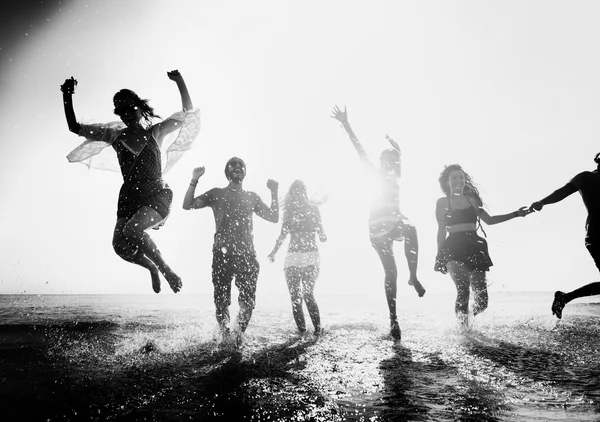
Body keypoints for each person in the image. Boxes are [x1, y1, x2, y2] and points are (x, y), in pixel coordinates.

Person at [61, 70, 200, 294]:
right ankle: (152, 267)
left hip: (156, 193)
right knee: (120, 245)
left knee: (133, 230)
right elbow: (74, 127)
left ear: (139, 106)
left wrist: (180, 81)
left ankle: (166, 270)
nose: (125, 113)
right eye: (120, 110)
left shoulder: (156, 132)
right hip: (129, 196)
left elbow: (187, 114)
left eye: (129, 107)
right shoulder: (114, 136)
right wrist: (67, 95)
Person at [330, 105, 425, 340]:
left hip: (395, 222)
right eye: (386, 161)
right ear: (381, 163)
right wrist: (347, 125)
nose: (390, 165)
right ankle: (394, 320)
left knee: (411, 228)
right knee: (390, 272)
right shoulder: (374, 173)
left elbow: (399, 157)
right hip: (377, 229)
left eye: (393, 162)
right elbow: (360, 150)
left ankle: (413, 276)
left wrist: (397, 149)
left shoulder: (396, 179)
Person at [182, 158, 279, 343]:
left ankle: (237, 336)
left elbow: (274, 217)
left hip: (247, 256)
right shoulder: (216, 194)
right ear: (227, 172)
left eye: (241, 165)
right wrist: (194, 179)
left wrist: (274, 192)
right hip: (222, 254)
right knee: (221, 301)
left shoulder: (252, 197)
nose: (237, 167)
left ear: (245, 172)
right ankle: (225, 337)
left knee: (248, 303)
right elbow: (187, 205)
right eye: (233, 165)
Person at [435, 164, 529, 326]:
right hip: (453, 247)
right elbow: (441, 231)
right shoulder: (443, 202)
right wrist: (439, 255)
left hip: (475, 246)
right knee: (463, 290)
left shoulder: (473, 200)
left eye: (461, 177)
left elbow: (490, 220)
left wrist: (516, 214)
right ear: (447, 182)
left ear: (465, 180)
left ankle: (467, 318)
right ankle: (462, 330)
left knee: (482, 301)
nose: (458, 180)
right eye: (454, 178)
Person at [530, 153, 600, 319]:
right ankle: (564, 297)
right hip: (597, 235)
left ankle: (564, 297)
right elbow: (562, 192)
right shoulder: (585, 177)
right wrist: (542, 202)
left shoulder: (585, 177)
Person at [268, 180, 327, 335]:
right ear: (292, 193)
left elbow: (321, 231)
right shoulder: (289, 211)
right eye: (295, 190)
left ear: (304, 192)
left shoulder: (313, 209)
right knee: (295, 297)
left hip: (311, 256)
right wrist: (274, 251)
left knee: (308, 293)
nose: (298, 192)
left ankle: (318, 330)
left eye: (301, 189)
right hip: (293, 257)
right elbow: (282, 235)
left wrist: (322, 235)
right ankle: (301, 332)